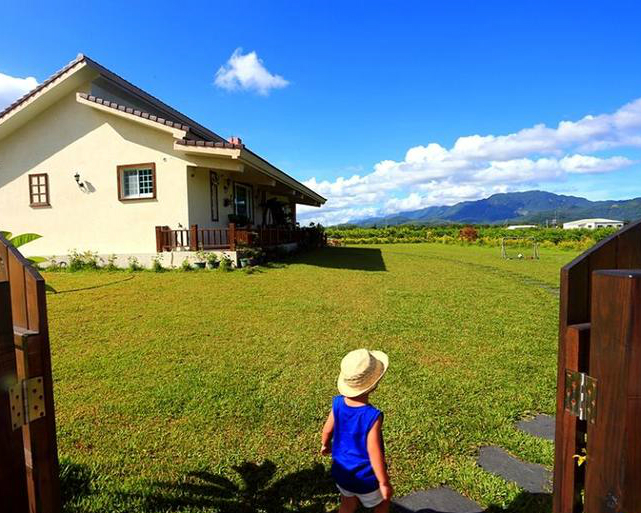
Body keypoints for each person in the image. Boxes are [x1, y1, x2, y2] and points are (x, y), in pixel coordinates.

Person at [320, 348, 392, 512]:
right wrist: (383, 482)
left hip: (341, 471)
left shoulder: (337, 403)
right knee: (382, 504)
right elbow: (374, 453)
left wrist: (325, 445)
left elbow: (326, 430)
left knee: (347, 503)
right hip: (366, 478)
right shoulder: (372, 416)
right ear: (373, 385)